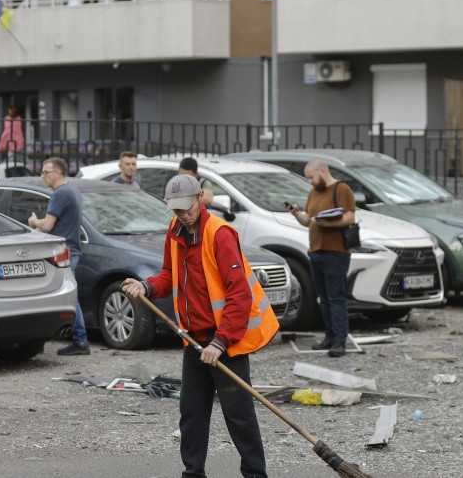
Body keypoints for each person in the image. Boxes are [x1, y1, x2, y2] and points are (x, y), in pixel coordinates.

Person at [121, 174, 279, 478]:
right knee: (191, 413)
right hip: (193, 340)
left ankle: (255, 474)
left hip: (225, 341)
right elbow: (169, 276)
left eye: (187, 206)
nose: (183, 214)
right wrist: (146, 286)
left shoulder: (219, 234)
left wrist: (220, 343)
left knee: (238, 414)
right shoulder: (175, 231)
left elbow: (239, 295)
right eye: (176, 209)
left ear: (201, 198)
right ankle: (193, 474)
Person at [286, 158, 355, 358]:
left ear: (323, 171)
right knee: (323, 298)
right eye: (307, 178)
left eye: (311, 177)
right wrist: (297, 215)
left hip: (336, 251)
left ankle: (340, 340)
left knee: (336, 297)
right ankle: (330, 336)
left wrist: (326, 224)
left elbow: (349, 216)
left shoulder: (342, 189)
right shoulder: (313, 192)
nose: (309, 181)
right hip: (316, 250)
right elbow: (309, 221)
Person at [29, 157, 89, 355]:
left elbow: (47, 225)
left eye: (46, 172)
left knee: (69, 297)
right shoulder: (72, 190)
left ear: (58, 173)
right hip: (71, 249)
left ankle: (80, 341)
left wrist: (33, 221)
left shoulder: (60, 193)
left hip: (64, 252)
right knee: (66, 294)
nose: (43, 176)